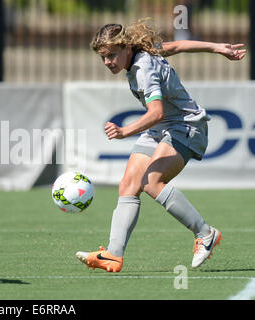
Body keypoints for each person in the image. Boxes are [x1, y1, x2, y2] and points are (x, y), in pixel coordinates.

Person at [76, 20, 246, 272]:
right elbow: (177, 45)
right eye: (103, 57)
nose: (108, 62)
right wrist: (216, 47)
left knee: (152, 181)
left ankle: (205, 234)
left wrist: (124, 131)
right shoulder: (144, 50)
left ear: (125, 48)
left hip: (186, 126)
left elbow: (156, 112)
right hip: (162, 129)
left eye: (111, 55)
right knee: (129, 184)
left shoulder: (143, 69)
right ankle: (113, 254)